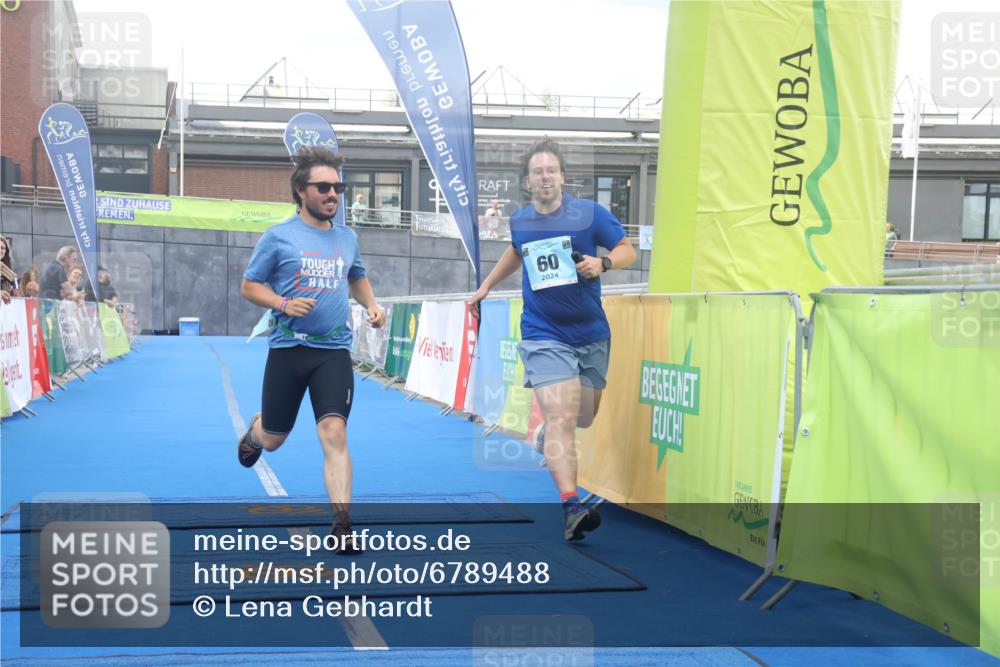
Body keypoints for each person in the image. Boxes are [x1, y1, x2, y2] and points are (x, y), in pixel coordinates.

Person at [467, 137, 637, 541]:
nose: (544, 177)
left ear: (562, 176)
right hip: (543, 332)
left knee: (583, 416)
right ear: (528, 182)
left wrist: (605, 262)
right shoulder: (521, 220)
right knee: (562, 417)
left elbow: (627, 247)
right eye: (537, 172)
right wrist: (485, 286)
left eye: (550, 170)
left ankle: (547, 436)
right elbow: (516, 252)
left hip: (591, 332)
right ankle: (571, 505)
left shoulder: (589, 214)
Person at [237, 146, 385, 553]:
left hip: (333, 352)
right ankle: (256, 429)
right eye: (324, 187)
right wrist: (283, 303)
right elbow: (250, 286)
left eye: (338, 186)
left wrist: (371, 304)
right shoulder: (279, 237)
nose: (333, 194)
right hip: (288, 350)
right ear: (301, 190)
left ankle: (342, 523)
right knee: (273, 440)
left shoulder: (347, 237)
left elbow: (357, 277)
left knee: (333, 432)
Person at [0, 234, 19, 302]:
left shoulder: (10, 274)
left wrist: (11, 292)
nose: (0, 250)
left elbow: (17, 296)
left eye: (3, 248)